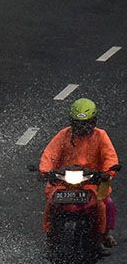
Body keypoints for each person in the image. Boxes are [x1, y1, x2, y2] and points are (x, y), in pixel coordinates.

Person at [39, 98, 119, 252]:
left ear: (93, 121)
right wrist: (45, 171)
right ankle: (49, 236)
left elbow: (110, 158)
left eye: (86, 123)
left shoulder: (101, 136)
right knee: (51, 203)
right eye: (78, 123)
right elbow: (50, 155)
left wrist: (107, 172)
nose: (82, 127)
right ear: (72, 122)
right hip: (63, 181)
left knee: (105, 204)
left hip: (93, 181)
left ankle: (102, 237)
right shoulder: (63, 135)